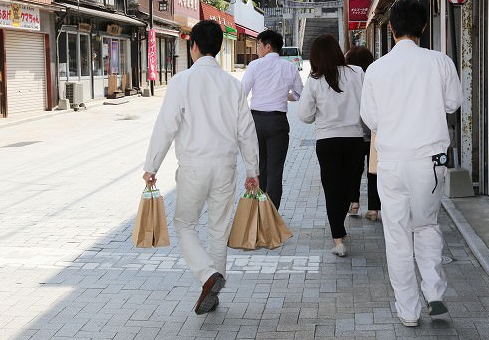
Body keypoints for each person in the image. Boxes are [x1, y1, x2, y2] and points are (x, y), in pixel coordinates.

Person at [142, 20, 260, 316]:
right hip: (226, 167)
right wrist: (252, 171)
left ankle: (207, 276)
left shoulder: (181, 82)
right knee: (218, 230)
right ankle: (213, 287)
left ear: (193, 46)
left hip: (193, 165)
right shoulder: (233, 85)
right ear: (219, 48)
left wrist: (151, 165)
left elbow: (165, 127)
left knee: (184, 224)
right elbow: (247, 130)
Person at [360, 0, 462, 327]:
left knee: (398, 233)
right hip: (431, 161)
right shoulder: (440, 62)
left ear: (390, 29)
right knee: (427, 226)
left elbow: (370, 118)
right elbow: (453, 103)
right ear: (423, 27)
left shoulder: (376, 70)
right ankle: (434, 294)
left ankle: (408, 309)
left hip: (391, 162)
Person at [297, 34, 365, 257]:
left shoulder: (315, 80)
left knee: (332, 188)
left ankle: (338, 239)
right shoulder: (358, 74)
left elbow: (304, 116)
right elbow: (368, 106)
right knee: (348, 186)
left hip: (327, 141)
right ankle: (340, 227)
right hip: (355, 139)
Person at [241, 30, 303, 209]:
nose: (257, 49)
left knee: (259, 168)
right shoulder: (290, 67)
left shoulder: (254, 66)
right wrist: (284, 96)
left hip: (257, 122)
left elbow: (242, 93)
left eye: (259, 45)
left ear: (268, 46)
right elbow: (300, 94)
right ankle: (272, 214)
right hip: (278, 122)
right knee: (276, 170)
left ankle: (259, 211)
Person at [344, 46, 380, 221]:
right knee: (373, 170)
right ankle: (373, 209)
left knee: (353, 169)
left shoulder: (347, 80)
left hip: (354, 132)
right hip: (373, 131)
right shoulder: (374, 77)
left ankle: (354, 203)